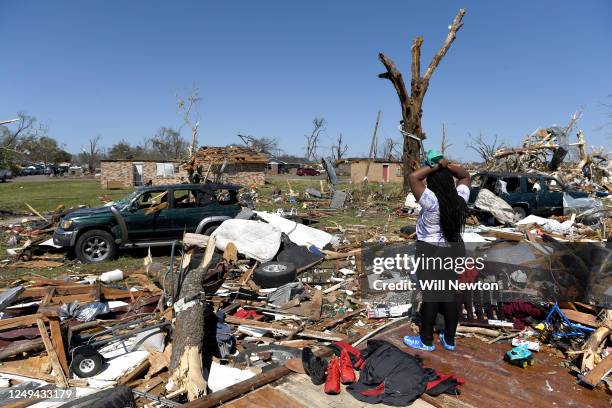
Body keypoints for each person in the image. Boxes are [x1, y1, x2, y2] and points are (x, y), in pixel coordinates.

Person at [403, 158, 470, 352]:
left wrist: (437, 166)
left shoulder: (431, 201)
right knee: (449, 294)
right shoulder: (459, 198)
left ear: (432, 183)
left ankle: (426, 341)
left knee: (431, 295)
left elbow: (413, 177)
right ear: (450, 181)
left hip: (431, 251)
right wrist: (447, 166)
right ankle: (449, 339)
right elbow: (465, 175)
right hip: (455, 250)